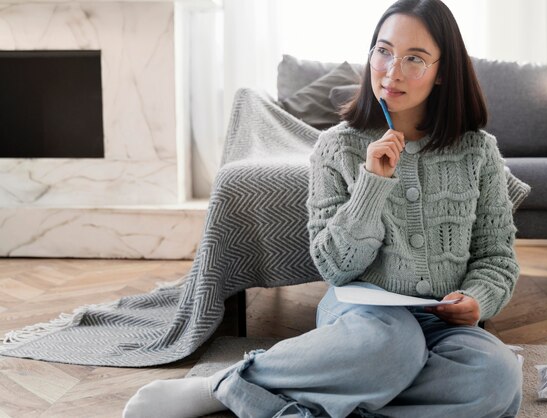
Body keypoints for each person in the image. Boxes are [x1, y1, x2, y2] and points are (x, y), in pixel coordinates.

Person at [123, 0, 523, 416]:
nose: (392, 70)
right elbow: (334, 266)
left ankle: (323, 401)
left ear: (443, 73)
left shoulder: (478, 151)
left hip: (445, 327)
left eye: (415, 59)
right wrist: (373, 183)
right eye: (383, 51)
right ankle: (223, 385)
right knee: (392, 348)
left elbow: (496, 257)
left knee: (497, 375)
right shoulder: (337, 146)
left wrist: (478, 300)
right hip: (363, 321)